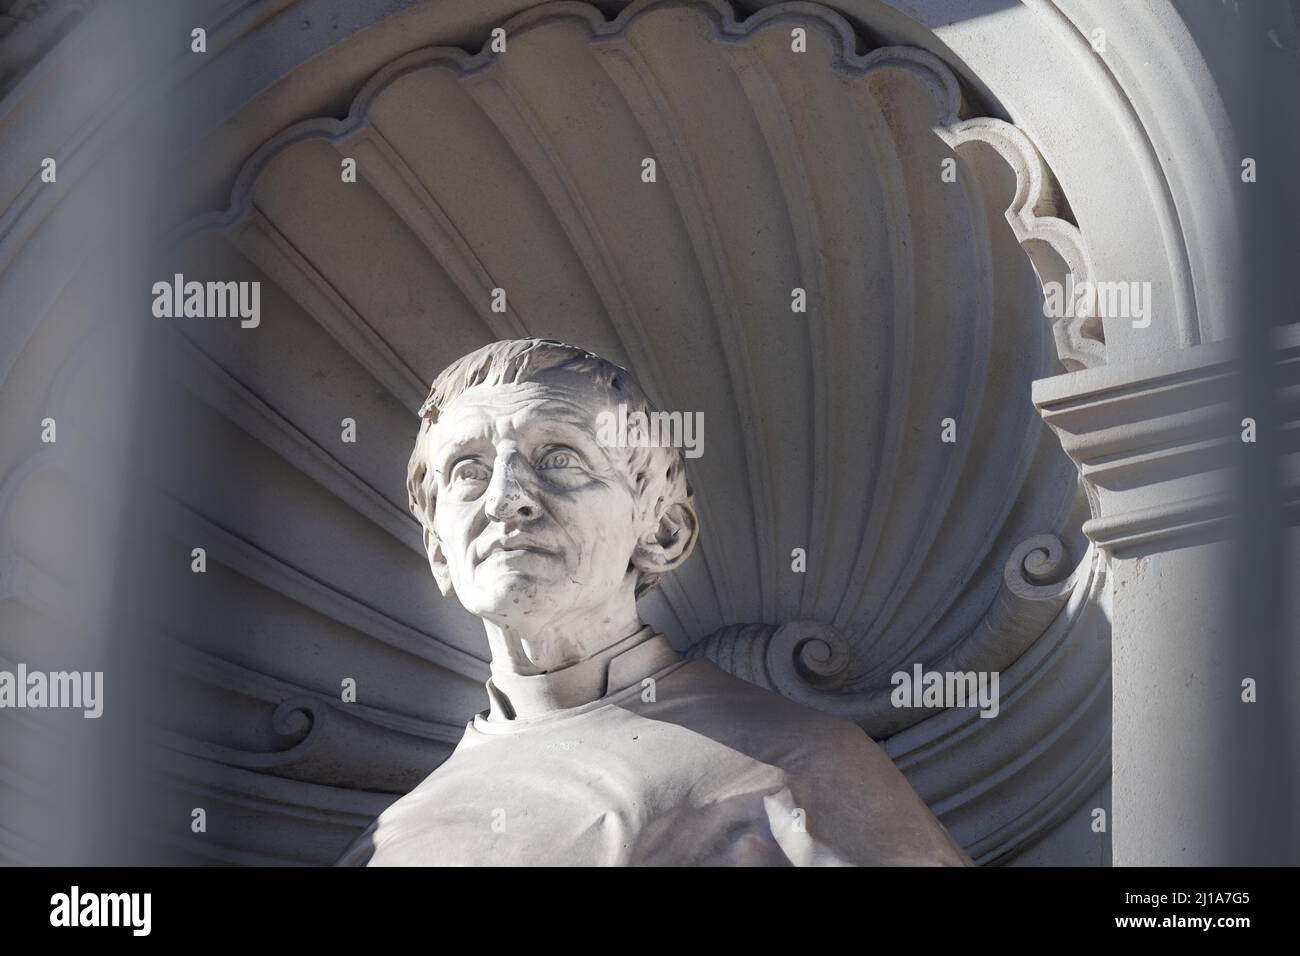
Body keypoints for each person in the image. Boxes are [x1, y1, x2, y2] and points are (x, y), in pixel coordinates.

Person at [336, 338, 971, 866]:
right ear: (440, 552)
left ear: (663, 532)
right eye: (467, 471)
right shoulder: (388, 841)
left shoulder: (798, 769)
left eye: (560, 458)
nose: (505, 498)